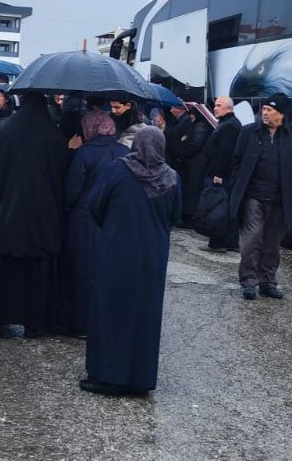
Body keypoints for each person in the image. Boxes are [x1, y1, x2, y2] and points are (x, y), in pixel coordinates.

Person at [81, 126, 180, 396]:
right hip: (153, 255)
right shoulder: (172, 178)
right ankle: (140, 378)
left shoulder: (116, 170)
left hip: (117, 249)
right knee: (145, 314)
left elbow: (95, 204)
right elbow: (175, 216)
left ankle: (107, 375)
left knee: (110, 310)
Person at [0, 92, 68, 337]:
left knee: (2, 269)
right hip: (41, 215)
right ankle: (36, 322)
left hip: (6, 213)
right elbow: (61, 177)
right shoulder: (53, 136)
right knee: (37, 270)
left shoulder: (4, 134)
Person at [227, 93, 292, 300]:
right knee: (251, 241)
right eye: (263, 109)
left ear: (281, 114)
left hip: (280, 199)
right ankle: (249, 281)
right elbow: (235, 161)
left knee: (272, 243)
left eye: (269, 110)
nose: (264, 113)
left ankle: (268, 281)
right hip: (253, 197)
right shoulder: (248, 132)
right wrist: (237, 184)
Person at [59, 109, 128, 336]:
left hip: (84, 219)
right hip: (114, 219)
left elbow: (71, 190)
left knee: (81, 271)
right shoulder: (125, 152)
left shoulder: (84, 153)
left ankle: (80, 322)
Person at [201, 96, 242, 252]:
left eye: (219, 105)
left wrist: (219, 174)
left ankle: (218, 242)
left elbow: (225, 152)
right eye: (215, 105)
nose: (215, 108)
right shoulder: (228, 123)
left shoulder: (229, 126)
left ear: (229, 108)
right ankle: (230, 241)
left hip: (221, 175)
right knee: (225, 208)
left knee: (218, 208)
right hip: (223, 174)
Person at [165, 103, 211, 229]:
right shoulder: (199, 125)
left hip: (196, 163)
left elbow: (195, 143)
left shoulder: (201, 126)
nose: (190, 116)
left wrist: (184, 154)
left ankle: (190, 217)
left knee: (192, 190)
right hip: (194, 162)